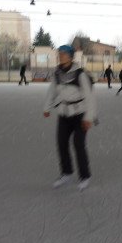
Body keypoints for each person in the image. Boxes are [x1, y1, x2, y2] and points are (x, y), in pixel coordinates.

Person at [43, 45, 96, 191]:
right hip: (64, 114)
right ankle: (66, 173)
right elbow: (52, 91)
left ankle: (85, 176)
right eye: (59, 53)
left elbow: (90, 97)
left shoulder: (80, 74)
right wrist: (46, 107)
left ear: (71, 56)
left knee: (78, 144)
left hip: (80, 115)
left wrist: (88, 118)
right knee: (61, 144)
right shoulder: (57, 73)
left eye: (64, 54)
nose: (61, 56)